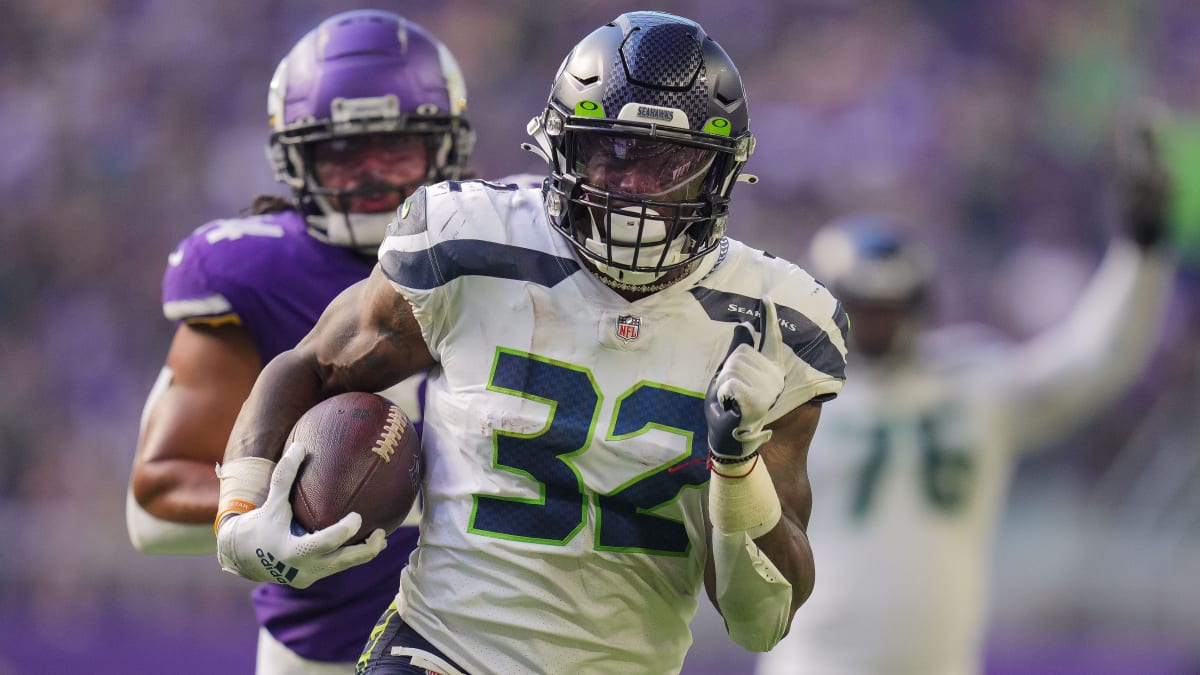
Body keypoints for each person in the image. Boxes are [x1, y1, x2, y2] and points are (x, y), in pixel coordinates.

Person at [212, 11, 850, 675]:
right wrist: (239, 511)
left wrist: (739, 469)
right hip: (444, 647)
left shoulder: (776, 321)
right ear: (561, 151)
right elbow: (312, 365)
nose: (634, 190)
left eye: (668, 166)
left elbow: (759, 619)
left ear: (719, 173)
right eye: (613, 154)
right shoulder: (469, 243)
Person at [756, 118, 1176, 675]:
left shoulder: (972, 383)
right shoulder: (784, 394)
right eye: (865, 306)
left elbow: (1094, 360)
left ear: (920, 303)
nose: (878, 324)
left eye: (892, 306)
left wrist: (1141, 251)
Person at [125, 10, 475, 674]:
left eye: (395, 149)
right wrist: (271, 506)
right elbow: (154, 503)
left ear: (446, 146)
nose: (372, 176)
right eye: (342, 154)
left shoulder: (501, 243)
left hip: (503, 634)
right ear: (295, 157)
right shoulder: (256, 271)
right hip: (325, 654)